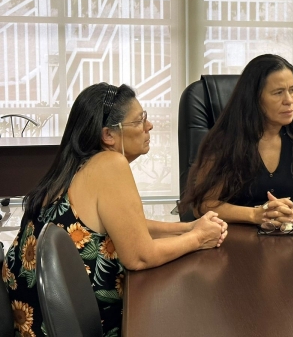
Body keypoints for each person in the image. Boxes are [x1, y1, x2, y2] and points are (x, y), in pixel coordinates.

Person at [1, 83, 228, 337]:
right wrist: (198, 239)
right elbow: (139, 256)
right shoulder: (110, 164)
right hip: (73, 323)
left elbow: (131, 225)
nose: (149, 126)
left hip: (31, 319)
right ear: (108, 135)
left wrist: (187, 228)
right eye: (140, 120)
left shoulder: (74, 166)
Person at [180, 54, 293, 229]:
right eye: (278, 93)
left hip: (291, 236)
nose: (289, 100)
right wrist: (256, 215)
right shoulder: (226, 140)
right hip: (235, 238)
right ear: (255, 99)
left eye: (292, 90)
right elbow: (204, 205)